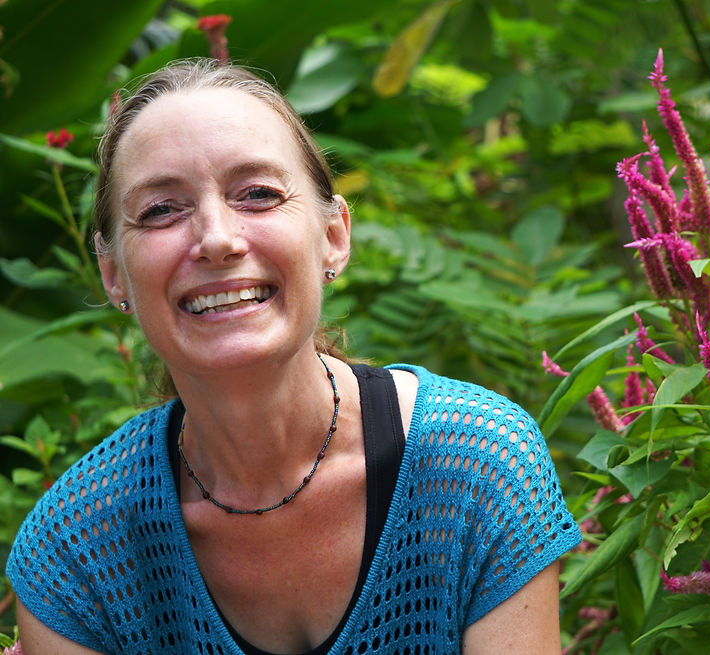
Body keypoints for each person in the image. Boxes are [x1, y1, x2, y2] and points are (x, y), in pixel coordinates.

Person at [6, 59, 581, 655]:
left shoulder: (477, 466)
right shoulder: (76, 554)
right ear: (113, 274)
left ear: (334, 235)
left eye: (257, 194)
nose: (218, 239)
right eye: (160, 210)